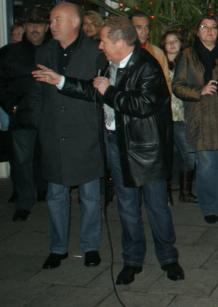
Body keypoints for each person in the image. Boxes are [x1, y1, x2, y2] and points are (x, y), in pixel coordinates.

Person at [35, 16, 184, 284]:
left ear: (119, 42)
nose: (100, 46)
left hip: (146, 150)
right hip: (116, 144)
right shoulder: (108, 64)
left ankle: (169, 259)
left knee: (157, 207)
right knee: (127, 207)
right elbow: (94, 91)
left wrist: (110, 91)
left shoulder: (147, 66)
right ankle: (132, 260)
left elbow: (143, 105)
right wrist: (61, 81)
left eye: (103, 41)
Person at [30, 2, 104, 269]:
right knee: (55, 196)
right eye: (51, 20)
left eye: (57, 20)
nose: (51, 25)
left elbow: (98, 92)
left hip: (85, 134)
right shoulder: (44, 51)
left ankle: (90, 246)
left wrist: (60, 81)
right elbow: (37, 94)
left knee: (90, 197)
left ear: (74, 22)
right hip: (54, 135)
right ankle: (58, 247)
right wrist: (40, 125)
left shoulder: (95, 51)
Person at [173, 16, 218, 224]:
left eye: (214, 27)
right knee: (205, 166)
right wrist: (200, 90)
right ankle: (208, 207)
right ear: (197, 31)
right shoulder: (187, 55)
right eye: (204, 27)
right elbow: (177, 86)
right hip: (201, 116)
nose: (209, 30)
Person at [0, 8, 49, 221]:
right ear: (25, 26)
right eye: (31, 24)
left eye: (39, 24)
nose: (35, 28)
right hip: (22, 116)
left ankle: (44, 191)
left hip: (50, 117)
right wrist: (10, 106)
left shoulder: (56, 50)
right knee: (22, 162)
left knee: (48, 158)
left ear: (47, 27)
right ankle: (24, 202)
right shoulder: (10, 52)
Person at [162, 30, 196, 204]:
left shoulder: (188, 63)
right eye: (168, 41)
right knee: (168, 157)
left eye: (175, 40)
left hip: (183, 117)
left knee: (189, 156)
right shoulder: (159, 64)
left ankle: (185, 192)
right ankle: (166, 193)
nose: (172, 44)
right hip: (165, 117)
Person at [130, 11, 170, 86]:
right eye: (139, 27)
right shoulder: (122, 51)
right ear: (129, 29)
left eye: (146, 27)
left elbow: (166, 82)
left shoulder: (157, 53)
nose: (144, 31)